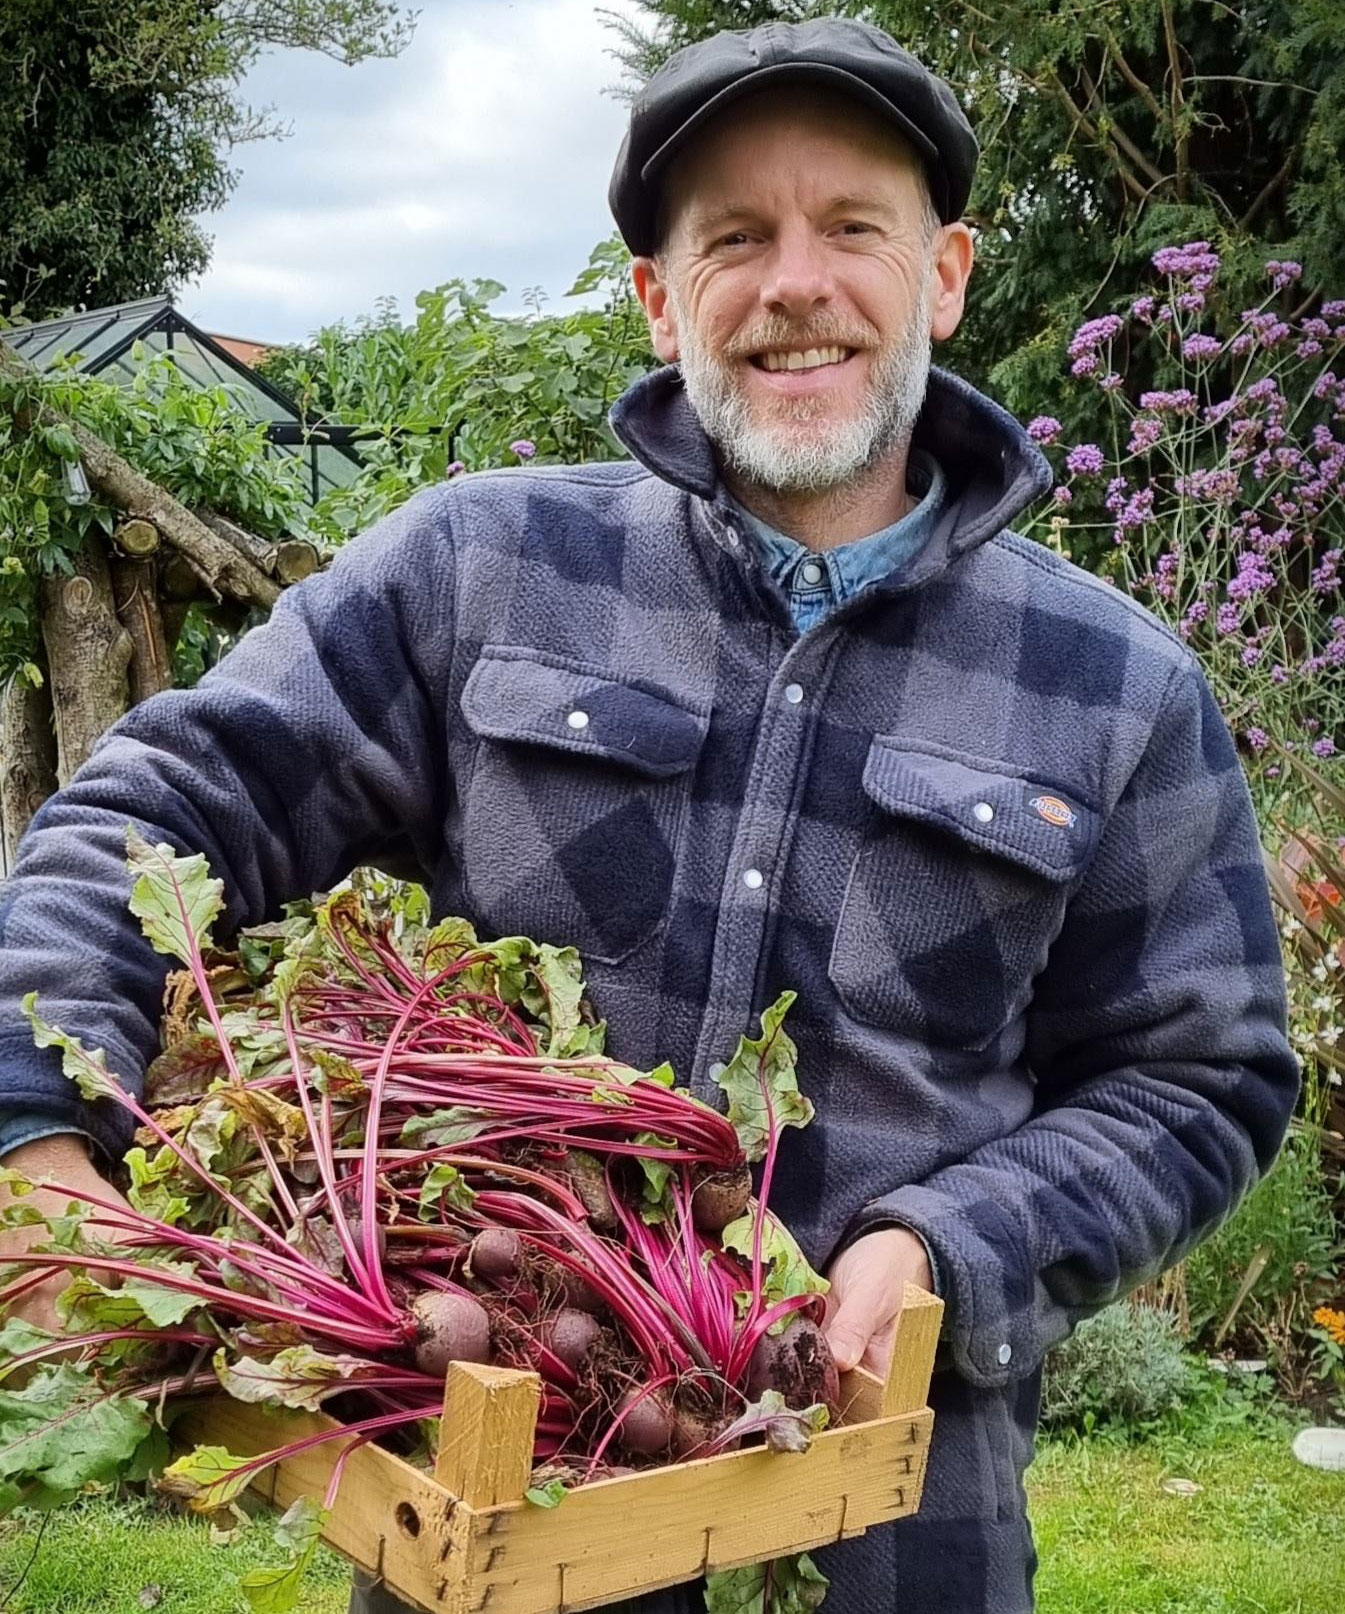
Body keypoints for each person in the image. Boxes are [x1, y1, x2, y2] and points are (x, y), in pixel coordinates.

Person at [0, 18, 1298, 1614]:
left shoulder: (1117, 684)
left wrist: (950, 1247)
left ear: (944, 275)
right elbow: (156, 804)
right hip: (480, 1508)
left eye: (852, 229)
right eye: (732, 238)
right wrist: (42, 1128)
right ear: (657, 295)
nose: (793, 284)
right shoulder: (479, 569)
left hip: (896, 1543)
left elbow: (1202, 1073)